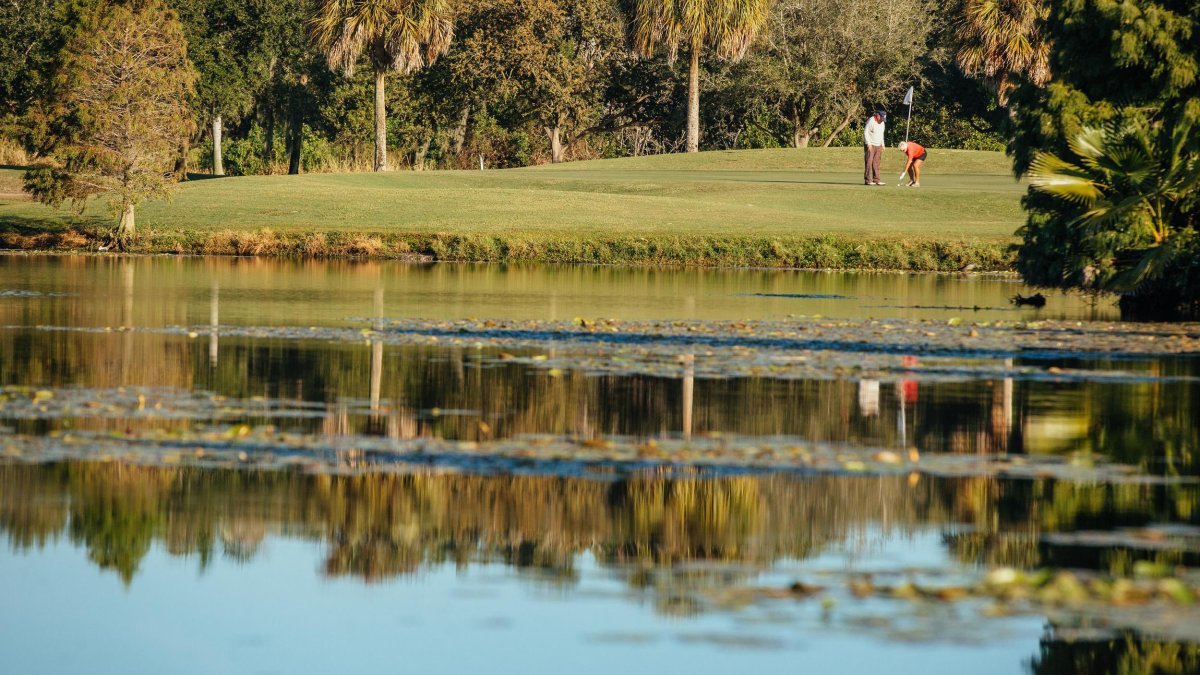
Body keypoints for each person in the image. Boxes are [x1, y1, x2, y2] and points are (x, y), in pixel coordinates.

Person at [863, 111, 886, 185]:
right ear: (878, 116)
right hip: (870, 144)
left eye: (883, 119)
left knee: (876, 163)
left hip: (878, 145)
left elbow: (881, 134)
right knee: (869, 162)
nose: (882, 120)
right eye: (881, 118)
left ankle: (876, 180)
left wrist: (882, 144)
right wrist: (868, 143)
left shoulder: (882, 122)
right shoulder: (871, 120)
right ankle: (868, 180)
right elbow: (865, 132)